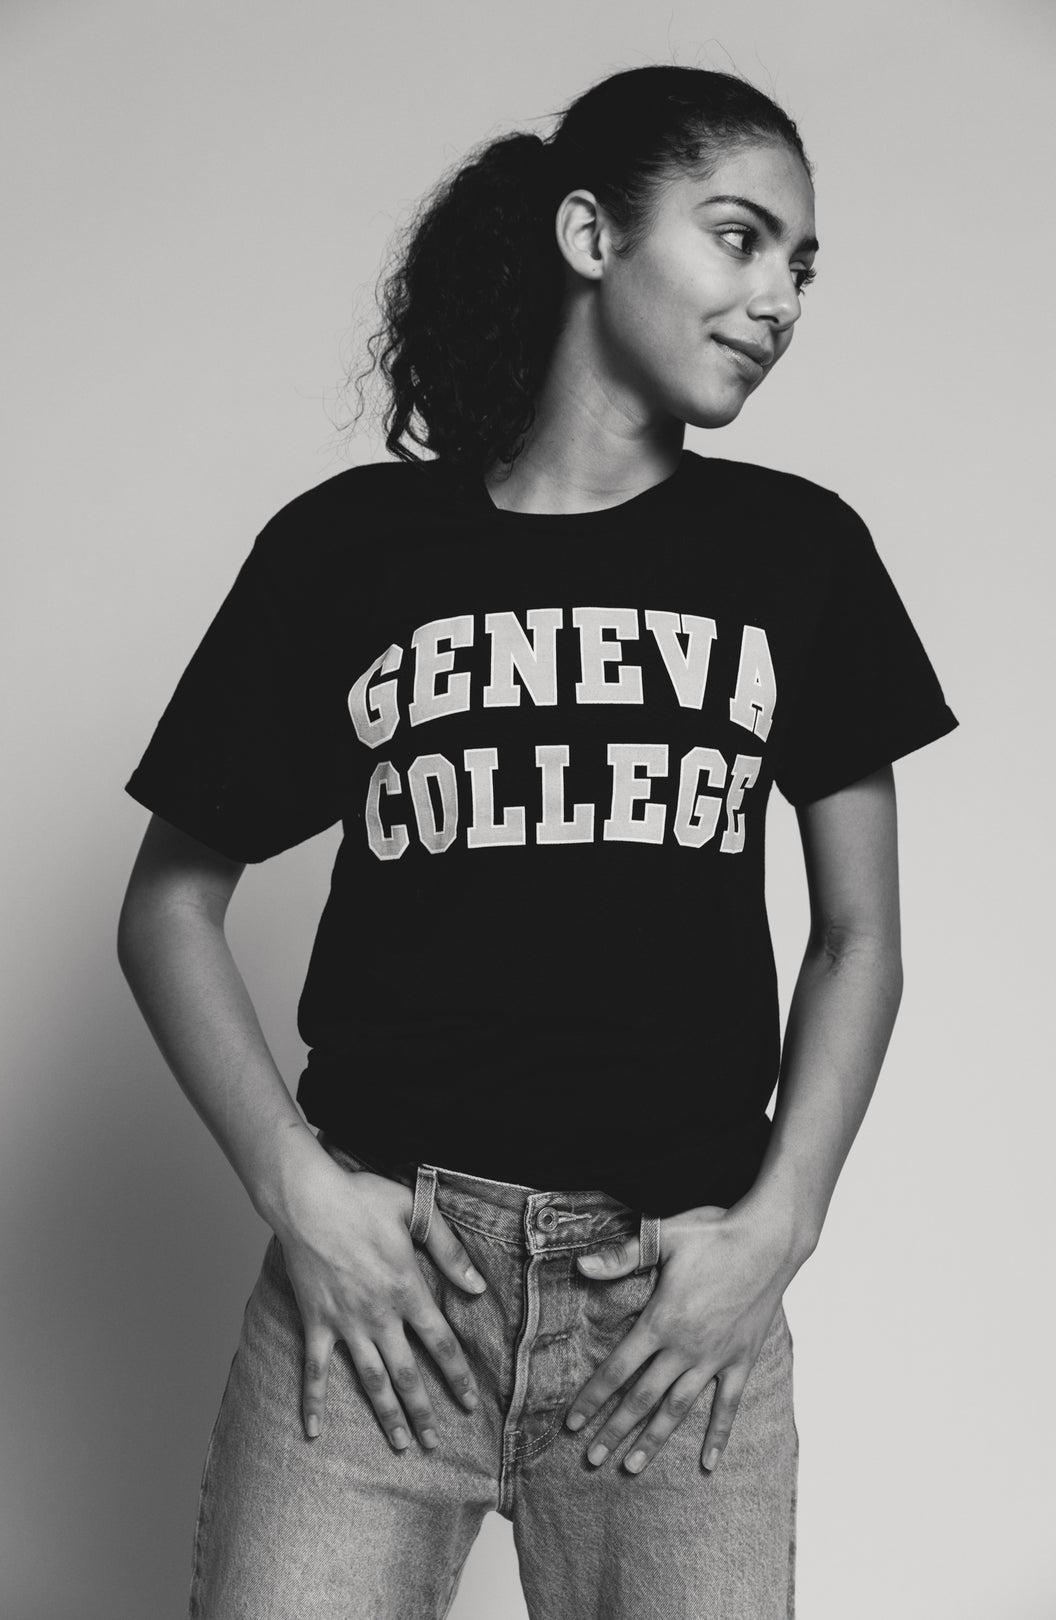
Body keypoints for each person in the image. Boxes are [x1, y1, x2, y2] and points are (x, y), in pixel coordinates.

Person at [118, 63, 958, 1620]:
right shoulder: (351, 552)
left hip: (668, 1318)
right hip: (378, 1311)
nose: (777, 298)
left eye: (802, 265)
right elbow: (168, 906)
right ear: (590, 231)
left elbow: (862, 939)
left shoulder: (800, 553)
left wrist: (778, 1232)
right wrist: (295, 1192)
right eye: (739, 237)